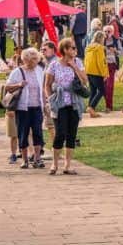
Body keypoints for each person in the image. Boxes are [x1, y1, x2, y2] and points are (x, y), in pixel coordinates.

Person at [43, 37, 89, 175]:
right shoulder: (54, 65)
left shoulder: (78, 62)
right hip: (60, 102)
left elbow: (85, 80)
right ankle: (55, 163)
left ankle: (68, 165)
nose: (75, 50)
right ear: (65, 50)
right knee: (60, 133)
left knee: (72, 133)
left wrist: (74, 66)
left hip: (74, 102)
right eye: (72, 48)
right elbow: (47, 84)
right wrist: (51, 99)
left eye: (75, 48)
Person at [5, 47, 46, 169]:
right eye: (30, 61)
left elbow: (42, 89)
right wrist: (19, 84)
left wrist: (45, 104)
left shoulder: (39, 70)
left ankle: (37, 158)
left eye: (35, 60)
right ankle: (25, 159)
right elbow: (7, 87)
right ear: (25, 60)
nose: (33, 63)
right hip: (23, 108)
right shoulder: (18, 72)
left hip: (37, 107)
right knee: (23, 133)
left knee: (38, 133)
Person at [84, 31, 108, 116]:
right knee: (102, 91)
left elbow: (86, 60)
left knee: (93, 91)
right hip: (97, 72)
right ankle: (91, 107)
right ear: (101, 38)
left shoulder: (88, 47)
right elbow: (101, 62)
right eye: (104, 38)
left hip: (89, 71)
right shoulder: (99, 48)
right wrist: (104, 74)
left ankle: (91, 111)